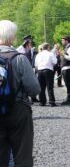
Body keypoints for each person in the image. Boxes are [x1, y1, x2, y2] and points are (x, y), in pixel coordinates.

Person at [0, 20, 41, 166]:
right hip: (18, 110)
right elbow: (34, 89)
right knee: (22, 155)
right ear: (12, 38)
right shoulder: (20, 59)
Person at [35, 42, 57, 107]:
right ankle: (51, 102)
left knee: (41, 87)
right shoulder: (50, 54)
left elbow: (36, 65)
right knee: (49, 87)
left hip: (40, 71)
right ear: (48, 47)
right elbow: (55, 62)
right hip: (48, 70)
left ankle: (42, 102)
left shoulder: (38, 55)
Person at [61, 36, 70, 105]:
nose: (62, 42)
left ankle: (69, 100)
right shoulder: (67, 47)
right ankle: (69, 99)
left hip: (68, 68)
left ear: (66, 40)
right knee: (68, 84)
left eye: (63, 40)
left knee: (69, 84)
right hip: (66, 68)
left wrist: (63, 54)